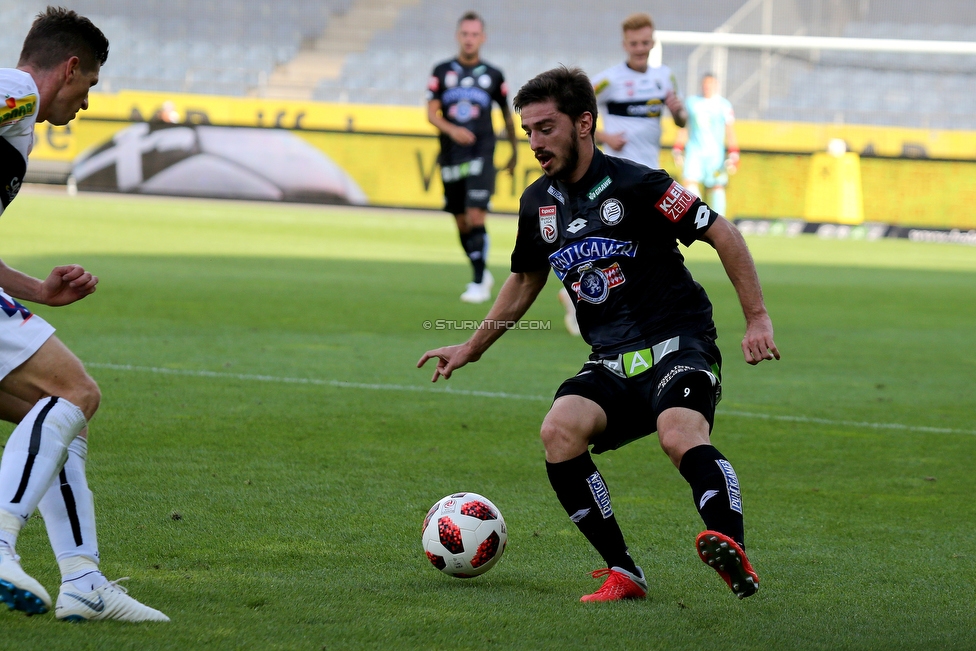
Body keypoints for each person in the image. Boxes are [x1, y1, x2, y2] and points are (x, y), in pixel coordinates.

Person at [418, 66, 779, 602]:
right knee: (558, 432)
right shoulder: (537, 204)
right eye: (528, 132)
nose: (536, 142)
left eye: (546, 128)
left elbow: (720, 231)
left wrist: (756, 318)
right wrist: (470, 347)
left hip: (679, 341)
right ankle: (624, 572)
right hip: (610, 356)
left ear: (584, 123)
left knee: (679, 435)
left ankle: (730, 546)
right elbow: (524, 280)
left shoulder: (641, 184)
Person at [0, 8, 168, 622]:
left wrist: (39, 292)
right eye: (90, 85)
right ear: (69, 68)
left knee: (58, 419)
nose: (87, 102)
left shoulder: (18, 124)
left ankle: (83, 581)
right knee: (74, 393)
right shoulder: (15, 93)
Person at [555, 12, 687, 335]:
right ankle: (584, 295)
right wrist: (604, 137)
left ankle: (589, 297)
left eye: (645, 42)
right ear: (624, 44)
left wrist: (678, 110)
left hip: (649, 173)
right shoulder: (608, 80)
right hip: (614, 174)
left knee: (641, 241)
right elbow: (572, 112)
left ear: (652, 42)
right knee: (614, 240)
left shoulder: (665, 77)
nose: (640, 48)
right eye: (634, 43)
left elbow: (682, 120)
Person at [427, 11, 518, 304]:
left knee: (476, 213)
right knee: (461, 221)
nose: (469, 39)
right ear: (458, 36)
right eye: (465, 34)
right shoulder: (441, 71)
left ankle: (478, 282)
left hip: (482, 153)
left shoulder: (494, 74)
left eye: (474, 34)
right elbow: (431, 114)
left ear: (483, 38)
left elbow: (506, 115)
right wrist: (452, 130)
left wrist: (515, 151)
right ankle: (480, 268)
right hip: (451, 155)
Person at [673, 73, 739, 218]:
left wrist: (734, 152)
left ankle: (720, 222)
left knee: (716, 186)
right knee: (689, 183)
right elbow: (684, 127)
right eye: (705, 84)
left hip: (715, 154)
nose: (707, 87)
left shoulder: (724, 105)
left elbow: (730, 130)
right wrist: (678, 147)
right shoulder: (691, 102)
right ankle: (693, 220)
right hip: (694, 152)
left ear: (716, 85)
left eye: (710, 84)